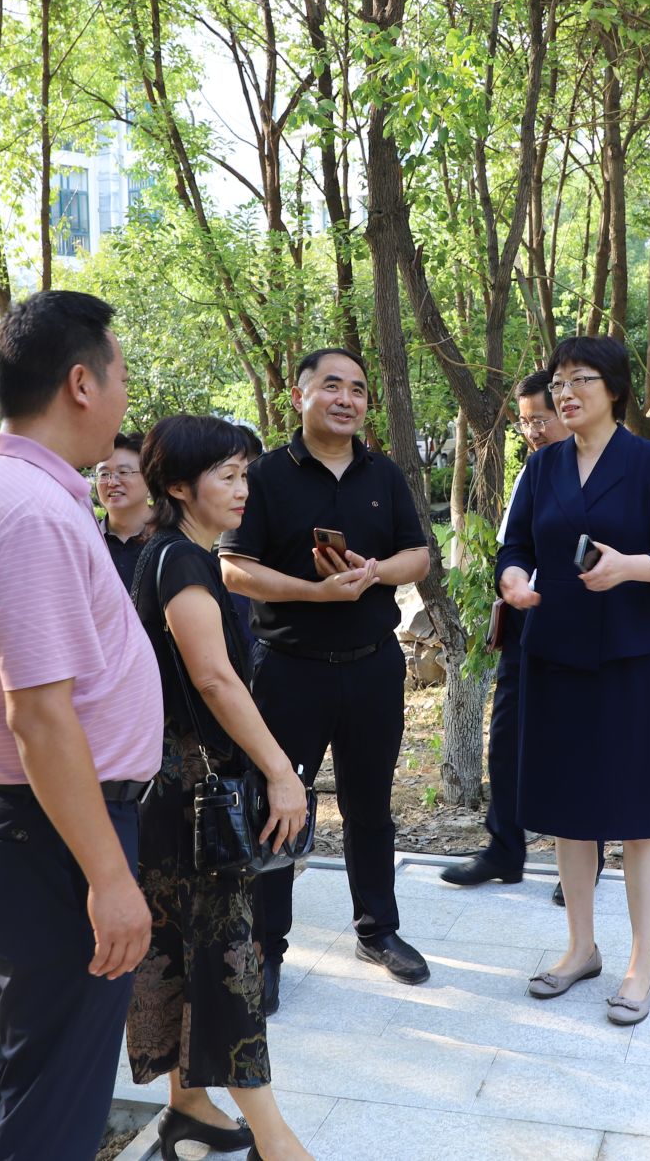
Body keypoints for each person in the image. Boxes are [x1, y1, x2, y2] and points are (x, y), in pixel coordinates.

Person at [0, 290, 163, 1160]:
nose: (124, 396)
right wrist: (109, 876)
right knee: (57, 1099)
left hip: (51, 822)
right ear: (80, 382)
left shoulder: (23, 490)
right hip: (61, 829)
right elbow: (39, 715)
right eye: (120, 377)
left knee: (43, 1073)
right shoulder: (28, 511)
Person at [496, 336, 650, 1027]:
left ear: (614, 389)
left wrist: (629, 568)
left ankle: (642, 964)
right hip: (554, 652)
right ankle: (581, 947)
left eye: (581, 379)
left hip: (630, 656)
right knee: (568, 810)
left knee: (638, 816)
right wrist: (513, 579)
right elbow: (517, 545)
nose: (566, 393)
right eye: (559, 381)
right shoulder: (542, 465)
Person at [221, 347, 433, 1011]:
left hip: (373, 665)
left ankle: (378, 930)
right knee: (279, 808)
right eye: (332, 385)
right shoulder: (265, 476)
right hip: (290, 670)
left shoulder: (383, 473)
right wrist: (314, 593)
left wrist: (374, 573)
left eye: (359, 389)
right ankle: (268, 949)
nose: (347, 399)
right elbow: (234, 568)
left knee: (371, 804)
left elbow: (419, 555)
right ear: (300, 395)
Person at [126, 415, 315, 1161]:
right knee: (227, 961)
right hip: (196, 795)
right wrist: (280, 771)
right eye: (227, 476)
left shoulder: (173, 553)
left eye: (245, 475)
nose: (243, 490)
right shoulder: (181, 562)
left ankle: (189, 1106)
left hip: (177, 791)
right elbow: (213, 678)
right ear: (179, 486)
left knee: (186, 952)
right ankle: (275, 1140)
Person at [442, 368, 581, 894]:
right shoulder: (533, 472)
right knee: (507, 737)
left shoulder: (598, 473)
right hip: (526, 620)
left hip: (579, 621)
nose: (533, 432)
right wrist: (511, 577)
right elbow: (512, 545)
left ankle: (581, 858)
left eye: (540, 419)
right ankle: (504, 848)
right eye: (524, 423)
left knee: (574, 741)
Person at [97, 432, 152, 593]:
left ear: (149, 478)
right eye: (104, 474)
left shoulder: (174, 537)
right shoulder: (86, 538)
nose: (112, 482)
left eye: (123, 472)